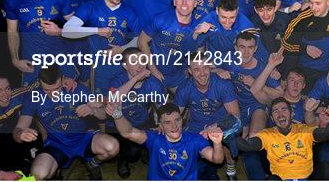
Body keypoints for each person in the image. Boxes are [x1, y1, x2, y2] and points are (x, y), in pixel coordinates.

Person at [14, 65, 119, 180]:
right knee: (38, 174)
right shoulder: (33, 98)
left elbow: (104, 113)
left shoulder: (76, 89)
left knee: (112, 147)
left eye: (56, 89)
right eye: (47, 90)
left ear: (63, 79)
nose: (52, 94)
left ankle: (93, 163)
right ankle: (56, 171)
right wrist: (20, 134)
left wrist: (92, 110)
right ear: (39, 83)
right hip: (58, 143)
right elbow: (18, 130)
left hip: (83, 137)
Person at [62, 0, 140, 94]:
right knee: (99, 103)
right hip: (98, 68)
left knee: (119, 105)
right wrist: (96, 31)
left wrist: (123, 48)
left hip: (122, 67)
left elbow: (140, 38)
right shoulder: (91, 7)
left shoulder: (129, 11)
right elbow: (67, 31)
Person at [106, 101, 224, 180]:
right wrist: (117, 115)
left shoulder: (194, 139)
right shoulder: (155, 138)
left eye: (177, 120)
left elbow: (217, 159)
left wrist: (217, 144)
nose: (174, 126)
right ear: (160, 125)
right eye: (167, 122)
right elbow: (129, 132)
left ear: (182, 120)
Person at [5, 0, 74, 85]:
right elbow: (12, 31)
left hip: (61, 58)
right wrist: (15, 59)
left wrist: (60, 31)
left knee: (69, 100)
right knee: (34, 101)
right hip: (32, 62)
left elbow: (77, 28)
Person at [237, 97, 329, 180]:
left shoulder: (304, 129)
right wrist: (229, 136)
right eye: (275, 112)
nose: (280, 114)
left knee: (326, 168)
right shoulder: (267, 134)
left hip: (307, 178)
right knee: (272, 179)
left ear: (291, 114)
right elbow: (249, 145)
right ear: (272, 119)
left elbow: (326, 134)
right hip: (282, 179)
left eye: (284, 110)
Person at [107, 47, 166, 178]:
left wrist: (162, 123)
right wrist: (135, 79)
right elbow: (114, 99)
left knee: (161, 138)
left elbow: (162, 107)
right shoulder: (117, 80)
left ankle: (145, 151)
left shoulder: (152, 83)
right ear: (125, 66)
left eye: (142, 60)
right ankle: (122, 159)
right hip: (119, 125)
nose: (140, 65)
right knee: (132, 153)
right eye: (134, 61)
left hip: (143, 121)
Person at [137, 0, 198, 90]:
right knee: (158, 103)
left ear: (195, 3)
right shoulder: (161, 19)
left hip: (178, 76)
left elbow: (197, 53)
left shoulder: (198, 27)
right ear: (174, 2)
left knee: (185, 102)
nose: (184, 3)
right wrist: (153, 69)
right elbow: (141, 42)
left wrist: (187, 70)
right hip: (153, 72)